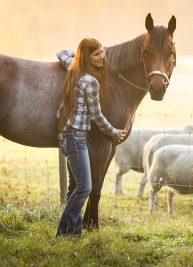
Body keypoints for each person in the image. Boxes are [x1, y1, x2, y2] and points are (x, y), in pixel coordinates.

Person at [56, 38, 127, 237]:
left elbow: (61, 53)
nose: (102, 57)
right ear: (87, 57)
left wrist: (77, 54)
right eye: (96, 54)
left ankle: (72, 233)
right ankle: (64, 232)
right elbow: (96, 115)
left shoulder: (74, 67)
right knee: (85, 187)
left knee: (74, 187)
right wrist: (114, 132)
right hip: (77, 137)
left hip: (69, 134)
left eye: (102, 52)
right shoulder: (91, 81)